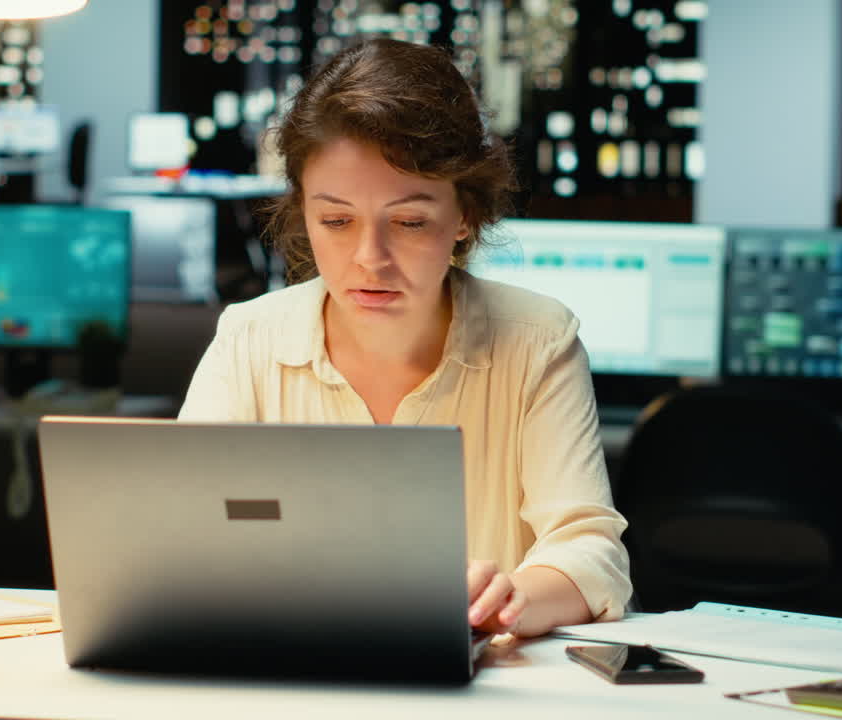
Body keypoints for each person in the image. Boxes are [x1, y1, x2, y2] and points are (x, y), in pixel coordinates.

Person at [179, 38, 631, 638]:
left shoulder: (537, 341)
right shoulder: (249, 340)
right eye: (336, 220)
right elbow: (183, 536)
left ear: (464, 215)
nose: (370, 258)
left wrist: (507, 600)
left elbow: (590, 552)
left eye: (410, 222)